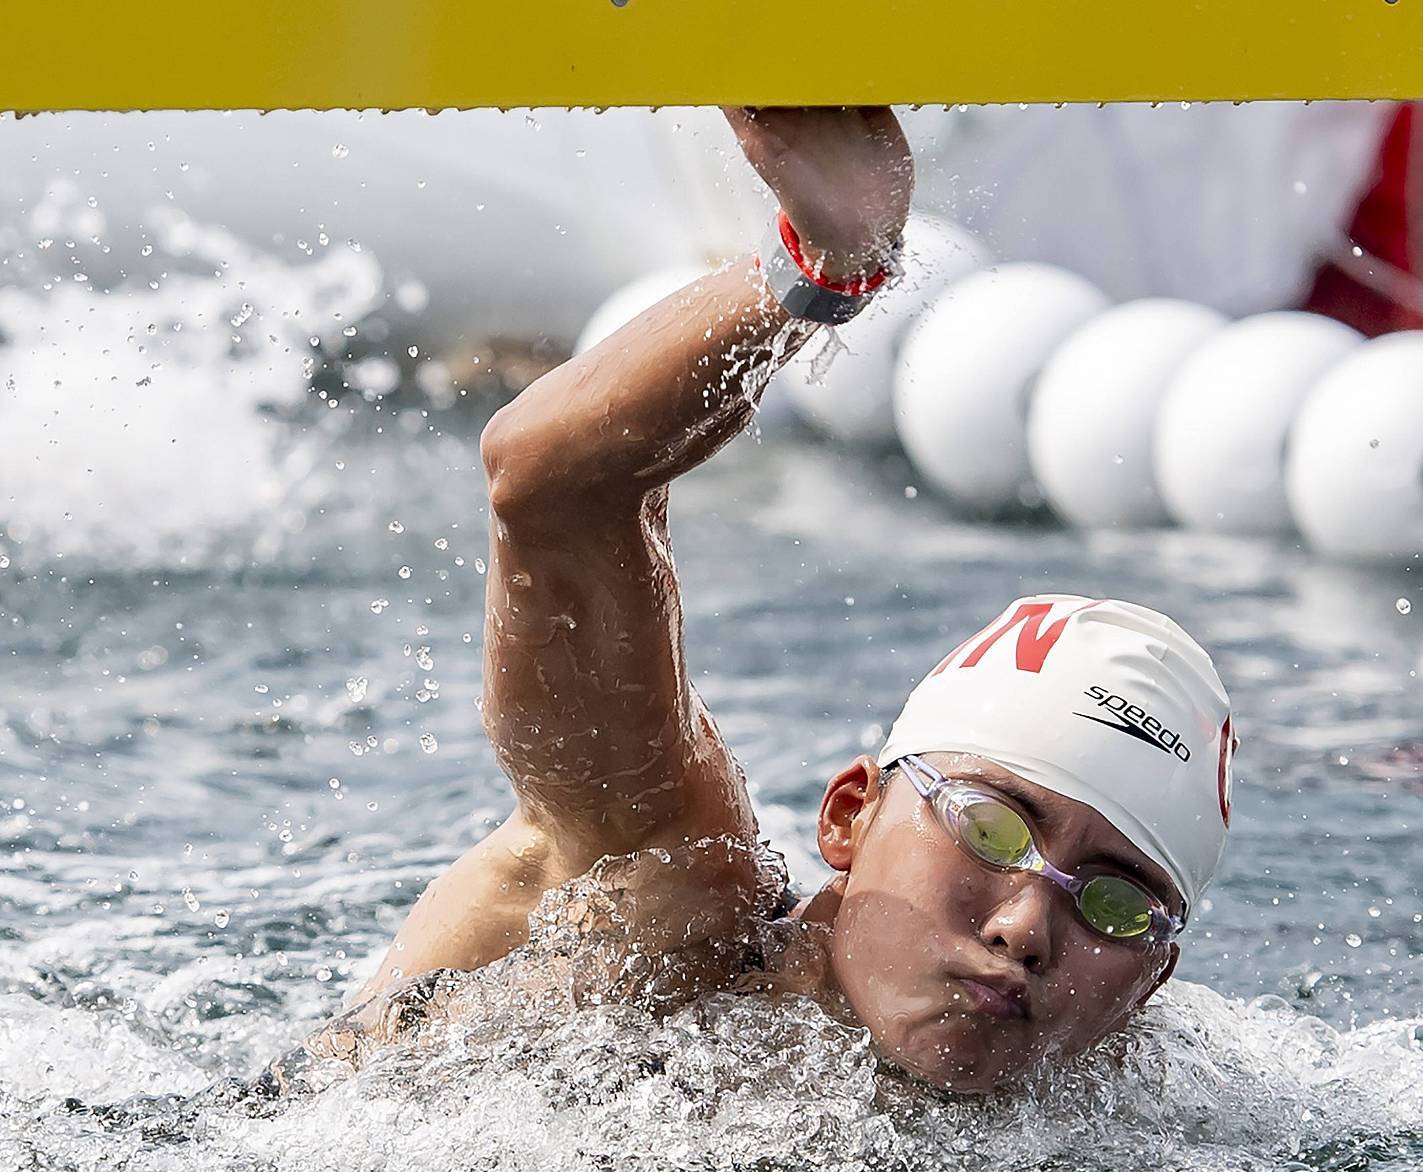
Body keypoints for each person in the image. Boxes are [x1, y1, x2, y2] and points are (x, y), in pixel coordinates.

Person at [343, 106, 1238, 1094]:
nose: (1024, 928)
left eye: (1114, 906)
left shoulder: (1144, 1119)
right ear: (849, 816)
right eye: (991, 827)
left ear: (1148, 986)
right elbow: (551, 480)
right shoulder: (669, 906)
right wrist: (826, 265)